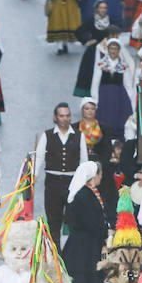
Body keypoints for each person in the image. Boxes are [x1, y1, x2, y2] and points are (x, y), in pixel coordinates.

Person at [62, 163, 108, 283]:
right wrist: (106, 232)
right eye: (100, 174)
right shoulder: (85, 196)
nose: (101, 177)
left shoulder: (83, 193)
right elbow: (93, 222)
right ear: (93, 175)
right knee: (85, 281)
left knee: (88, 280)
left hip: (84, 244)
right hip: (85, 247)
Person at [33, 103, 88, 246]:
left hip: (73, 182)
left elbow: (84, 161)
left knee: (75, 220)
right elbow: (38, 158)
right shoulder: (47, 135)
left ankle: (72, 254)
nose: (65, 119)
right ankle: (56, 255)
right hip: (52, 183)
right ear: (55, 117)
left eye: (68, 115)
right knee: (53, 220)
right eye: (62, 116)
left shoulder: (79, 136)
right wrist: (33, 177)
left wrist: (85, 183)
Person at [89, 38, 136, 141]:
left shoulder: (123, 66)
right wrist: (95, 99)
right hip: (104, 96)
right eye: (111, 48)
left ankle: (118, 141)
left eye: (116, 49)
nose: (113, 51)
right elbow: (95, 82)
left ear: (119, 50)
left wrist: (127, 99)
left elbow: (127, 84)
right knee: (104, 118)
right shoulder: (101, 64)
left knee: (119, 119)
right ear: (108, 49)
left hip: (119, 96)